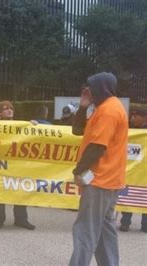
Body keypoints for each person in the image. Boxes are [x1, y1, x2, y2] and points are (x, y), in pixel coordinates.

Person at [69, 72, 128, 266]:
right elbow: (78, 130)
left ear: (101, 87)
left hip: (100, 180)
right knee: (103, 229)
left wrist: (78, 171)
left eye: (91, 87)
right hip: (109, 180)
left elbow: (97, 146)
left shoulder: (108, 111)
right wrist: (83, 105)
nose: (88, 90)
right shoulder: (104, 107)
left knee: (85, 230)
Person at [0, 100, 35, 230]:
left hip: (17, 164)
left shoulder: (21, 126)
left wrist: (33, 126)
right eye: (5, 109)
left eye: (11, 108)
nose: (9, 110)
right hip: (0, 164)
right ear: (0, 112)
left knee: (20, 190)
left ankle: (21, 219)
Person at [119, 108, 147, 233]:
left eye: (135, 116)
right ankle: (125, 222)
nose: (132, 119)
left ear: (144, 117)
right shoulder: (130, 130)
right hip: (131, 168)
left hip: (144, 170)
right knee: (128, 193)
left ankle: (145, 224)